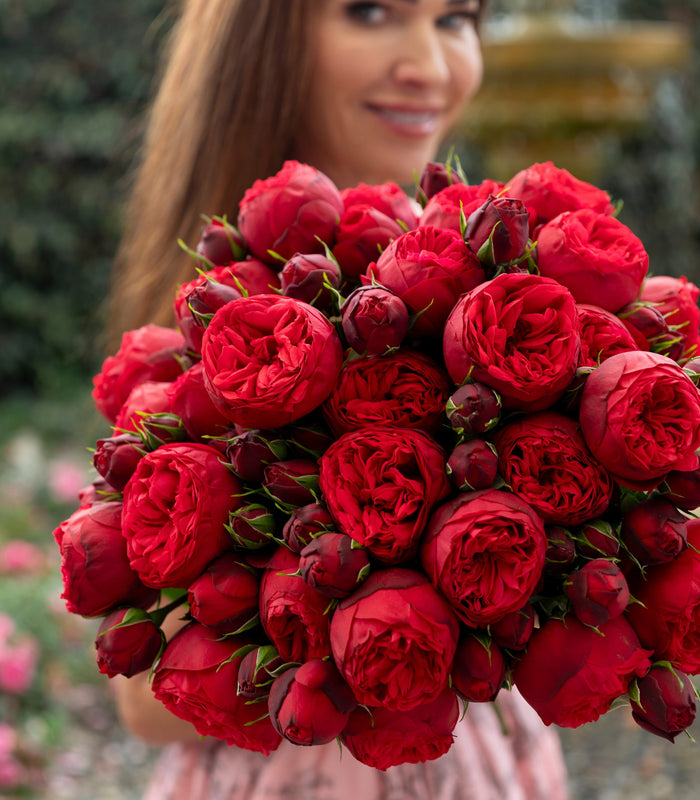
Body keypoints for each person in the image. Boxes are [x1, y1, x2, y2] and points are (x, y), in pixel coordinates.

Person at [110, 1, 571, 798]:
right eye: (370, 11)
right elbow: (144, 703)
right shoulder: (216, 323)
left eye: (456, 17)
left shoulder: (492, 273)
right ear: (260, 43)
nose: (429, 65)